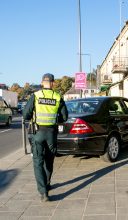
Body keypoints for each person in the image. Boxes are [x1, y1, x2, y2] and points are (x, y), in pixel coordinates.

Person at [23, 73, 68, 202]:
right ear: (53, 83)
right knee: (49, 160)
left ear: (42, 83)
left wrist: (33, 115)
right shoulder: (58, 96)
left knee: (38, 162)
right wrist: (54, 118)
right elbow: (64, 117)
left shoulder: (36, 96)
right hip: (51, 134)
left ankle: (43, 193)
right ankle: (47, 183)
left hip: (37, 133)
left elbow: (25, 115)